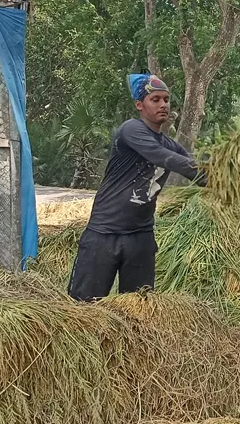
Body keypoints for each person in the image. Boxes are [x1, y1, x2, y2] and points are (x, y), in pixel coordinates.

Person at [67, 74, 200, 302]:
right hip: (105, 234)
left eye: (166, 100)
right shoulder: (131, 131)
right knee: (83, 307)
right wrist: (200, 169)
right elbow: (163, 158)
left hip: (140, 237)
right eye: (155, 99)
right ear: (139, 105)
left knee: (138, 309)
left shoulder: (170, 145)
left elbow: (197, 171)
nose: (163, 105)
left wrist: (239, 172)